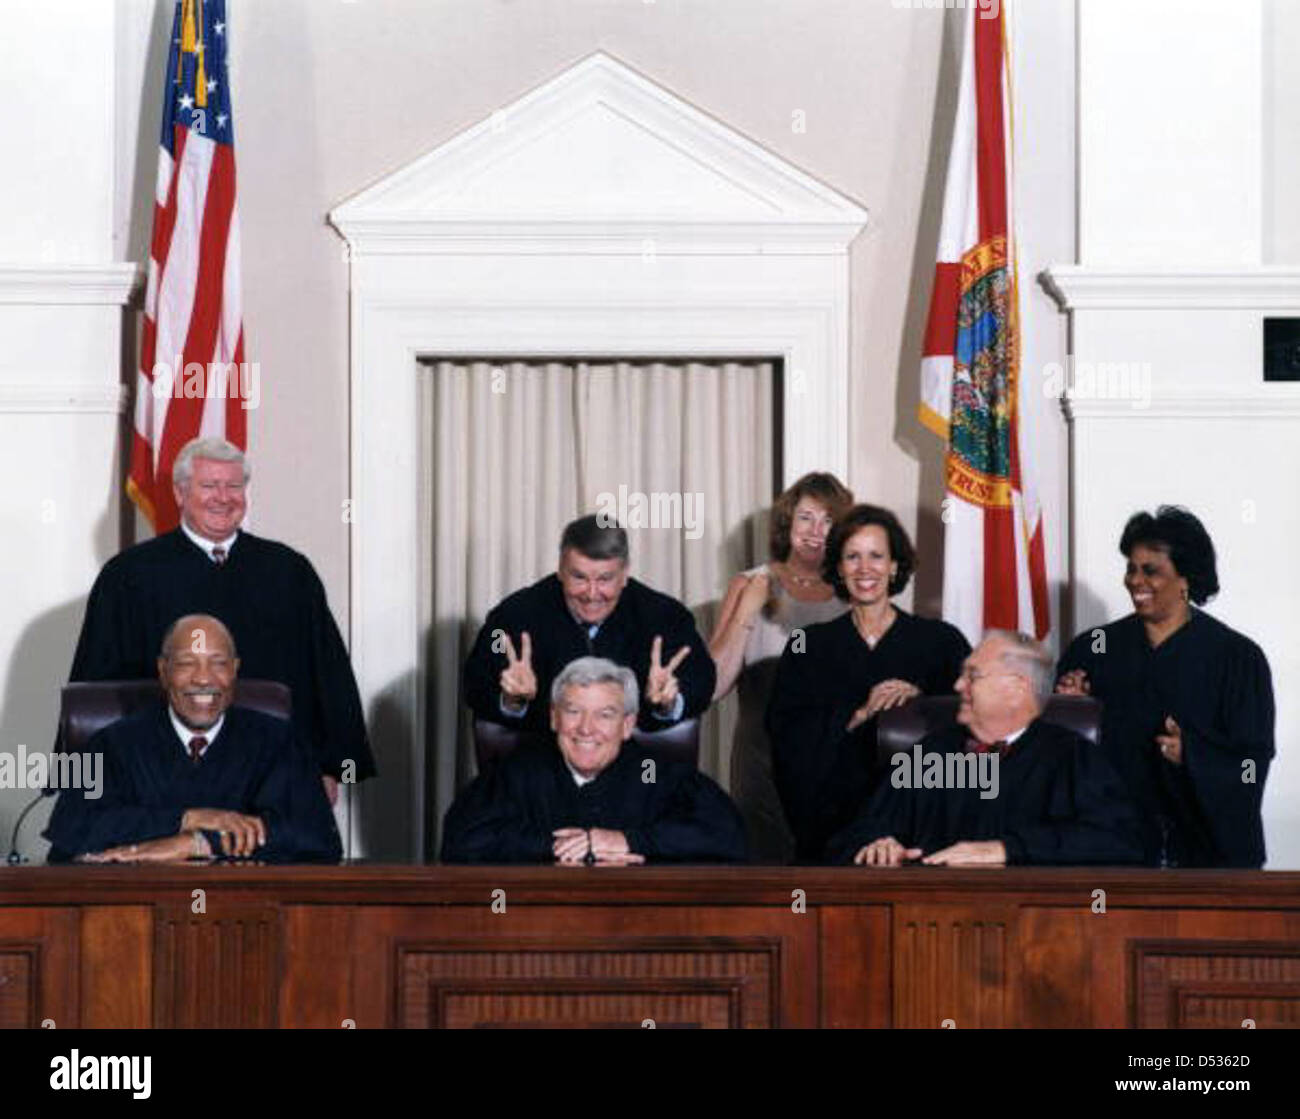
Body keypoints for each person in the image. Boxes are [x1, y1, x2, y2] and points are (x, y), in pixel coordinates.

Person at [68, 437, 375, 803]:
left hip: (275, 772)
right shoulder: (129, 576)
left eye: (234, 486)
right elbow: (97, 688)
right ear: (181, 494)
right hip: (160, 772)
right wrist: (83, 778)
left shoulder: (289, 572)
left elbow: (327, 675)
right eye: (209, 485)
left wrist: (333, 767)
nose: (223, 497)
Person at [1055, 507, 1274, 868]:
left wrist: (1196, 756)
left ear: (1186, 579)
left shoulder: (1237, 658)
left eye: (1150, 570)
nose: (1135, 580)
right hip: (1110, 849)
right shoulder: (1094, 647)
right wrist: (1073, 710)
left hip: (1204, 855)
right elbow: (1059, 753)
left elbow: (1252, 763)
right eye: (1131, 568)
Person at [829, 632, 1143, 867]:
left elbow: (1120, 841)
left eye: (972, 675)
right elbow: (855, 835)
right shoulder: (929, 755)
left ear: (1017, 688)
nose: (956, 686)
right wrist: (877, 846)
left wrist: (1006, 850)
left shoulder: (1073, 757)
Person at [45, 614, 341, 864]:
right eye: (187, 663)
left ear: (235, 670)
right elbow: (70, 831)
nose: (203, 679)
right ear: (163, 671)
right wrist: (188, 818)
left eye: (218, 663)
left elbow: (315, 836)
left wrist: (199, 843)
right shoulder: (109, 744)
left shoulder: (279, 742)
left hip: (246, 910)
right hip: (134, 912)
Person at [766, 504, 970, 862]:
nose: (865, 569)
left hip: (924, 825)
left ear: (894, 566)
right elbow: (787, 739)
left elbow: (976, 727)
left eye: (876, 556)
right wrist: (858, 713)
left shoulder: (942, 641)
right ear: (839, 569)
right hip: (835, 824)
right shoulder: (808, 646)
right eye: (852, 557)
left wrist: (920, 705)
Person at [442, 657, 745, 864]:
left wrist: (630, 841)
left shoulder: (656, 774)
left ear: (627, 725)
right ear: (553, 717)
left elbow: (727, 837)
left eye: (605, 715)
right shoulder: (518, 772)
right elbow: (461, 840)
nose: (586, 729)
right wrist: (558, 846)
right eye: (573, 711)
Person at [708, 472, 853, 862]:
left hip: (836, 761)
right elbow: (714, 685)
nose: (815, 530)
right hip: (761, 756)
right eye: (806, 517)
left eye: (828, 520)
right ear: (789, 522)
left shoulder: (856, 591)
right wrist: (748, 610)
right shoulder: (749, 583)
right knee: (764, 872)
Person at [463, 515, 715, 734]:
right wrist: (513, 701)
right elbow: (475, 684)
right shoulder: (513, 617)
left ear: (625, 574)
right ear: (560, 569)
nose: (592, 594)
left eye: (605, 579)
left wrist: (666, 705)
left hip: (635, 769)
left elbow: (702, 682)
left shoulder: (665, 617)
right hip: (544, 764)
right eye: (579, 577)